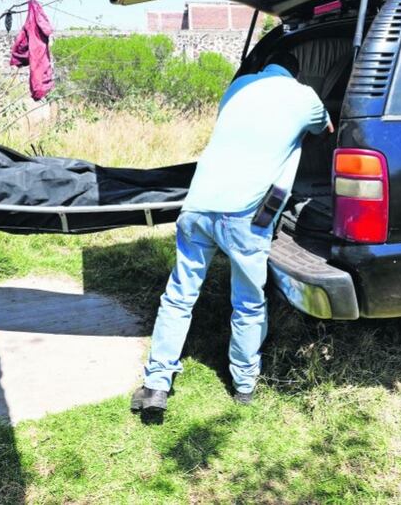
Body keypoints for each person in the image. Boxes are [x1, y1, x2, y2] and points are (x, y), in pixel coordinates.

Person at [131, 51, 332, 413]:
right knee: (248, 303)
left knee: (179, 295)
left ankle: (155, 384)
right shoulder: (304, 97)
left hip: (197, 205)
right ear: (297, 73)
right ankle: (244, 385)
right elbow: (327, 129)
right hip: (244, 213)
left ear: (264, 67)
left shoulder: (238, 86)